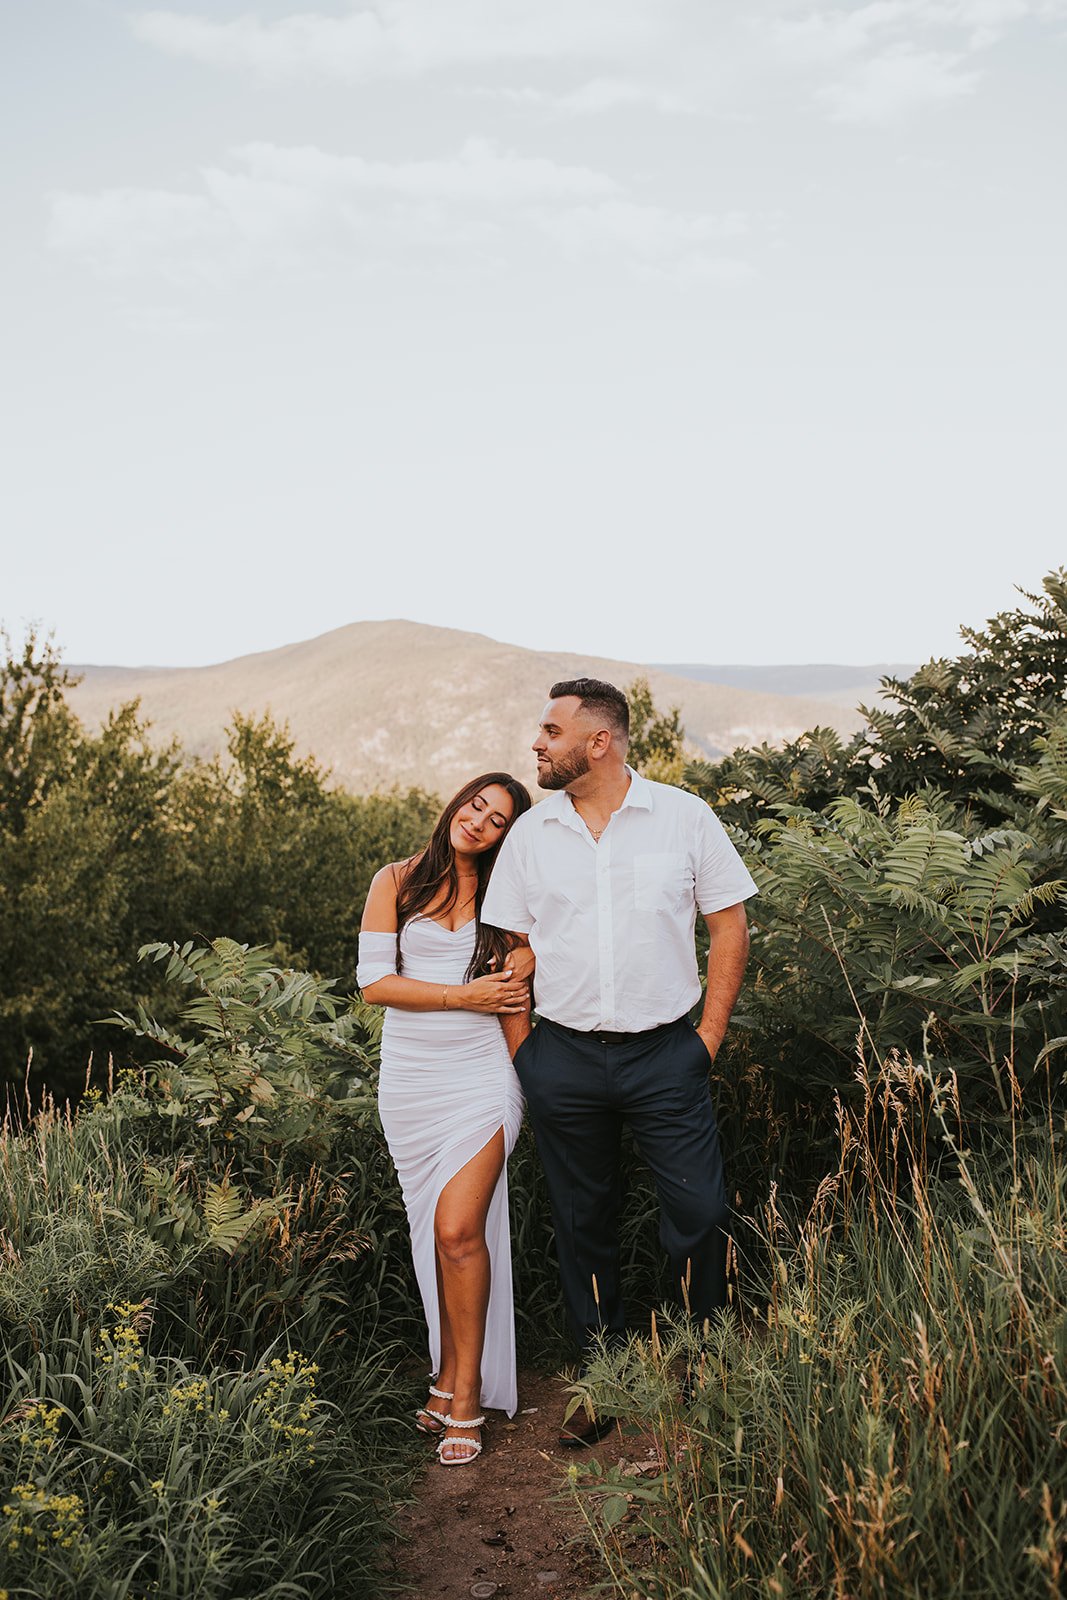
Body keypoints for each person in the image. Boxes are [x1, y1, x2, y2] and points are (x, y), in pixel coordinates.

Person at [481, 679, 757, 1447]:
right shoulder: (533, 837)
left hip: (666, 1054)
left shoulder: (683, 817)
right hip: (562, 1057)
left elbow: (728, 928)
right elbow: (510, 948)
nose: (537, 742)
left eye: (551, 729)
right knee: (582, 1222)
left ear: (597, 741)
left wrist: (705, 1038)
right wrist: (525, 1054)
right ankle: (601, 1378)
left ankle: (697, 1362)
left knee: (699, 1213)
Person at [357, 772, 533, 1466]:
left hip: (484, 1079)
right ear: (457, 804)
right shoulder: (396, 881)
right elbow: (375, 985)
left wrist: (527, 956)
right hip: (409, 1083)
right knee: (435, 1235)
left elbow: (517, 996)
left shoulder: (507, 897)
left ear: (504, 838)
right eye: (476, 806)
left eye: (497, 821)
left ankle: (465, 1400)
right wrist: (464, 996)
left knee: (459, 1231)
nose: (480, 822)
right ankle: (447, 1376)